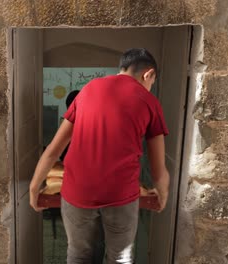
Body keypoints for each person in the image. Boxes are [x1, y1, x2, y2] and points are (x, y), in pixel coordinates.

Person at [29, 48, 170, 263]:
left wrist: (34, 188)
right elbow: (158, 168)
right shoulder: (149, 101)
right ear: (148, 74)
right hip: (120, 195)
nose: (150, 86)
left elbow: (54, 149)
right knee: (119, 257)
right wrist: (162, 193)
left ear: (122, 68)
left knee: (79, 254)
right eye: (152, 81)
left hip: (78, 193)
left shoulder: (87, 90)